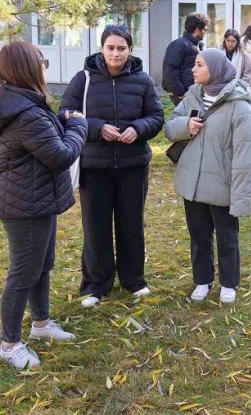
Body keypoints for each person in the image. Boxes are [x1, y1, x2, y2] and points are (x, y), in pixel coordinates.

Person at [0, 42, 88, 370]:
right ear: (28, 67)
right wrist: (79, 125)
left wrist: (62, 122)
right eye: (43, 61)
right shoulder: (26, 113)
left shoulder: (21, 102)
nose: (45, 67)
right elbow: (60, 155)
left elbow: (46, 143)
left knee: (42, 264)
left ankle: (40, 324)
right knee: (23, 273)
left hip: (35, 199)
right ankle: (9, 344)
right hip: (24, 204)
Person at [60, 25, 164, 308]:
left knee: (131, 224)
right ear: (101, 49)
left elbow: (156, 116)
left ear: (130, 50)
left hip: (133, 166)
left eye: (121, 48)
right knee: (96, 227)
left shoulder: (143, 81)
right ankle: (96, 284)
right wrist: (95, 128)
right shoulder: (83, 80)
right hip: (95, 166)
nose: (115, 53)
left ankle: (134, 280)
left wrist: (137, 128)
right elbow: (66, 114)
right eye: (110, 48)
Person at [164, 49, 251, 304]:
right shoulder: (193, 95)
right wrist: (186, 126)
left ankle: (229, 282)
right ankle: (202, 280)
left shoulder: (239, 106)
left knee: (227, 238)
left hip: (221, 186)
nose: (193, 70)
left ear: (215, 69)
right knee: (198, 235)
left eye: (199, 65)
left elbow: (245, 158)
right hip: (192, 183)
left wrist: (240, 198)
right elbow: (170, 127)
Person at [162, 13, 207, 106]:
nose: (205, 33)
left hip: (192, 94)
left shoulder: (196, 46)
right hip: (183, 96)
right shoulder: (177, 45)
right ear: (198, 29)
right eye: (204, 29)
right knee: (187, 120)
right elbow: (170, 72)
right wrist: (180, 93)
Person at [221, 29, 251, 95]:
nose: (230, 44)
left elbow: (247, 76)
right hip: (221, 89)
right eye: (228, 40)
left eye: (233, 41)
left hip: (238, 90)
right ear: (225, 40)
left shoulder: (243, 55)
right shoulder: (219, 53)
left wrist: (238, 87)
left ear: (237, 42)